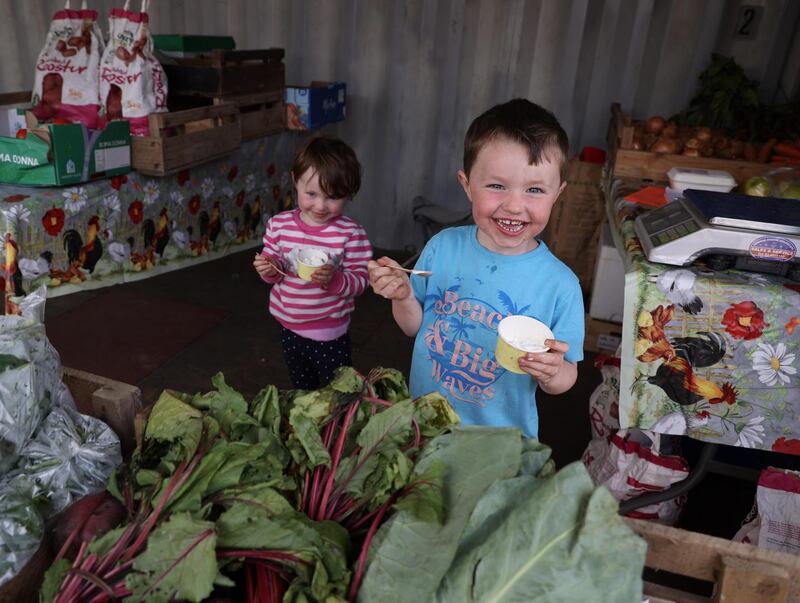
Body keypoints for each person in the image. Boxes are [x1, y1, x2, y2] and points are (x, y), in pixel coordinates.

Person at [368, 98, 584, 439]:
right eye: (496, 186)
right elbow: (413, 328)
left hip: (497, 445)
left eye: (535, 190)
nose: (514, 206)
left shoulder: (560, 285)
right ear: (467, 184)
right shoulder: (443, 247)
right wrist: (403, 295)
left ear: (557, 194)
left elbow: (566, 378)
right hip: (424, 426)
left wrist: (552, 373)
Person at [254, 135, 372, 389]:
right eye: (311, 193)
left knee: (336, 394)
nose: (320, 205)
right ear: (295, 180)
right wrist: (269, 267)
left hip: (330, 333)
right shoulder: (279, 225)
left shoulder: (351, 233)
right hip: (288, 327)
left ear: (349, 194)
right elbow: (276, 270)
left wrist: (336, 279)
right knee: (303, 390)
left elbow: (362, 280)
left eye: (333, 197)